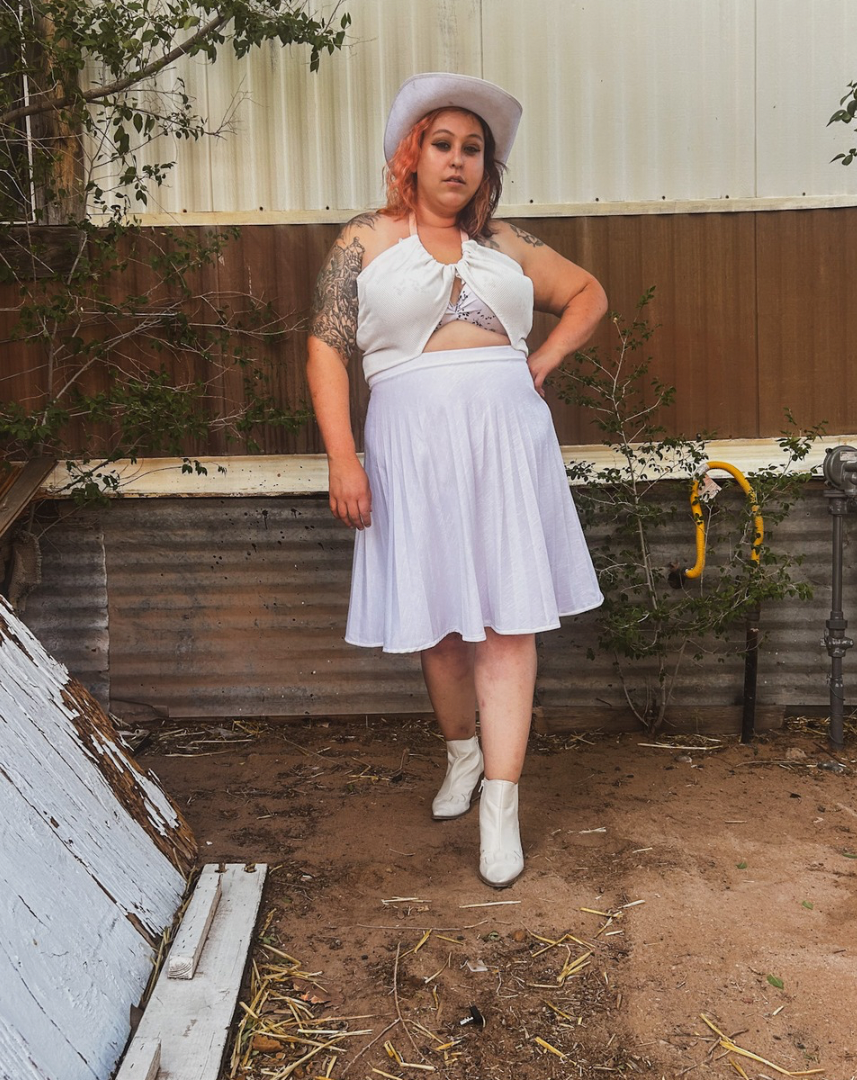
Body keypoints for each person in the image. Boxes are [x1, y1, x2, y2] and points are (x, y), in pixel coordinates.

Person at [306, 72, 606, 888]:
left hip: (507, 445)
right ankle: (462, 754)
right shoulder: (365, 239)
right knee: (439, 628)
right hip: (411, 447)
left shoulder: (507, 243)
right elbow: (327, 350)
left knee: (508, 623)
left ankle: (501, 808)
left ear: (486, 166)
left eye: (474, 149)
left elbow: (588, 293)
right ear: (413, 154)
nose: (458, 160)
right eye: (443, 144)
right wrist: (342, 457)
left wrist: (542, 358)